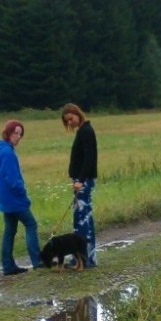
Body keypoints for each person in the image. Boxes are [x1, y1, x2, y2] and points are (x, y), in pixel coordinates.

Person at [0, 120, 44, 275]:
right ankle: (37, 261)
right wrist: (23, 195)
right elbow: (12, 180)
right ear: (8, 133)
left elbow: (0, 176)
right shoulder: (7, 152)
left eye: (20, 134)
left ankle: (8, 266)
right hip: (14, 199)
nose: (18, 137)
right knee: (31, 224)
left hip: (5, 199)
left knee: (10, 230)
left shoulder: (1, 150)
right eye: (15, 133)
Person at [61, 103, 97, 267]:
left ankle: (84, 259)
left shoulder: (86, 132)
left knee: (83, 220)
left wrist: (80, 180)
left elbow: (89, 159)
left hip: (83, 181)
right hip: (80, 180)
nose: (70, 123)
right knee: (82, 218)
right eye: (67, 121)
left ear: (77, 114)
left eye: (71, 119)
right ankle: (84, 257)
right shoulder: (83, 131)